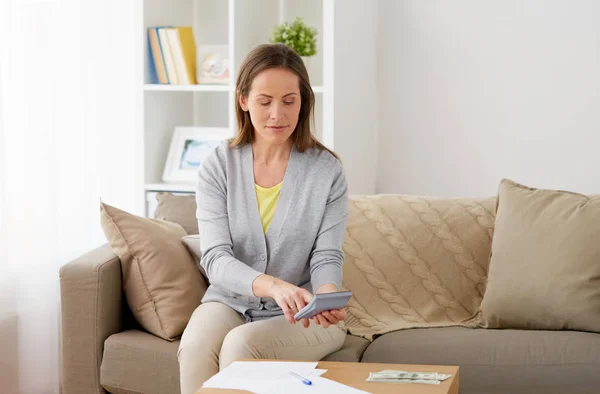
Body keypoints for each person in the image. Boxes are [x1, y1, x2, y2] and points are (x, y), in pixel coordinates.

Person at [177, 43, 349, 394]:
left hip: (302, 314)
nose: (277, 114)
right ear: (243, 100)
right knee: (195, 345)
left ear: (304, 101)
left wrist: (325, 298)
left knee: (242, 344)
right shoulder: (218, 165)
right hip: (228, 300)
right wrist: (272, 285)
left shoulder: (327, 170)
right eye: (265, 101)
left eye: (289, 101)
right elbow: (215, 258)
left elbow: (326, 255)